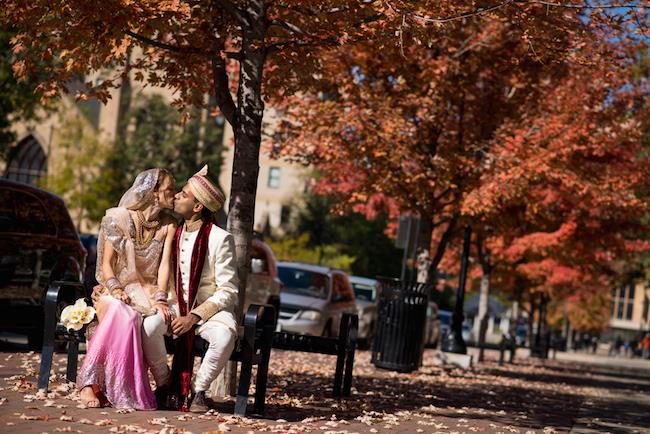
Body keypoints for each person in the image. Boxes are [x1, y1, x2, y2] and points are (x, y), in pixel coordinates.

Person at [141, 165, 238, 413]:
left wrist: (194, 316)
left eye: (183, 194)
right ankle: (166, 385)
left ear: (197, 207)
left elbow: (229, 290)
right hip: (174, 304)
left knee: (225, 337)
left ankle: (197, 392)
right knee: (149, 326)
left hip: (208, 309)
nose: (176, 196)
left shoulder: (219, 238)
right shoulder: (171, 230)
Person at [78, 169, 177, 409]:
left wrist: (162, 299)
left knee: (133, 316)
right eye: (169, 190)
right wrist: (115, 288)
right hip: (115, 288)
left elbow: (164, 265)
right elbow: (106, 265)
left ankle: (118, 386)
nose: (174, 195)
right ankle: (89, 384)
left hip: (151, 291)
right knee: (124, 313)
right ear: (153, 193)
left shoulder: (169, 224)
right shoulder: (119, 218)